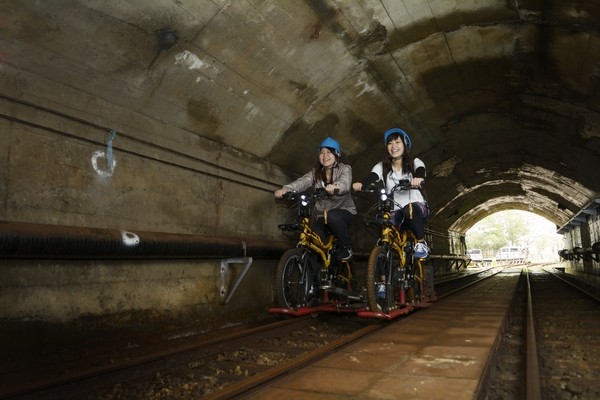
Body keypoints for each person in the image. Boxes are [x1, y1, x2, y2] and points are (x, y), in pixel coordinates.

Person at [352, 128, 430, 258]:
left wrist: (418, 179)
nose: (394, 146)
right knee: (383, 222)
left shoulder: (414, 162)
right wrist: (361, 184)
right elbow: (372, 175)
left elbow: (420, 170)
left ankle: (421, 243)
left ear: (405, 145)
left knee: (409, 210)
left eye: (397, 142)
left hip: (415, 207)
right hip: (394, 208)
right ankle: (383, 260)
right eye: (390, 143)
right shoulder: (382, 166)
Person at [275, 137, 356, 260]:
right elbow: (303, 182)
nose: (325, 155)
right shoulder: (316, 173)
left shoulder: (345, 168)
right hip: (322, 215)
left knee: (332, 216)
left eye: (329, 152)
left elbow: (345, 183)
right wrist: (286, 189)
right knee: (313, 241)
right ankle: (313, 277)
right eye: (322, 153)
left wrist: (335, 186)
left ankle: (346, 247)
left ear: (337, 154)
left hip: (344, 212)